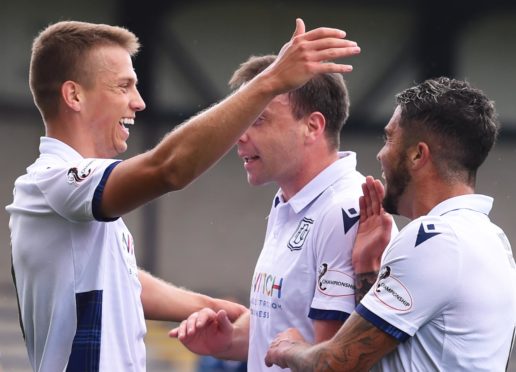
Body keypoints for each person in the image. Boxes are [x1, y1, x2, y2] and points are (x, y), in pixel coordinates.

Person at [5, 19, 361, 371]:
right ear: (74, 95)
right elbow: (169, 168)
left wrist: (214, 307)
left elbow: (124, 280)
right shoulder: (52, 181)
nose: (139, 102)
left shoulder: (72, 196)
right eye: (123, 86)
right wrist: (268, 84)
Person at [264, 77, 516, 371]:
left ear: (417, 154)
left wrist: (289, 348)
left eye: (389, 138)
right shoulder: (492, 238)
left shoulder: (434, 240)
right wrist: (369, 266)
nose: (380, 154)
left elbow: (334, 364)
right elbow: (390, 351)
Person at [169, 53, 397, 371]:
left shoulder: (343, 209)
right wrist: (228, 341)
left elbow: (330, 359)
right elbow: (289, 325)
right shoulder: (290, 201)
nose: (240, 135)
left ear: (312, 127)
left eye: (257, 120)